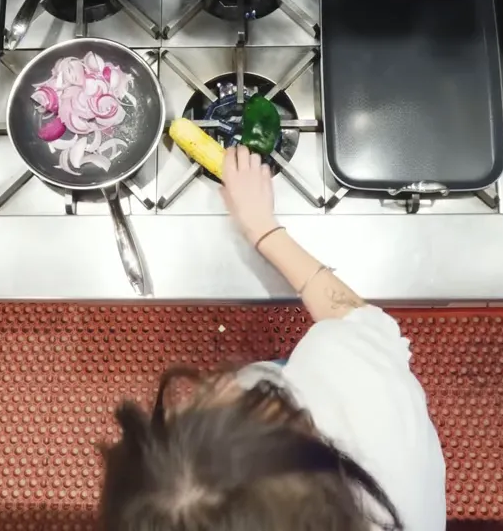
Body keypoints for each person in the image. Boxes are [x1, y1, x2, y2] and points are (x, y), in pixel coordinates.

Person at [99, 146, 447, 531]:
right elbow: (353, 316)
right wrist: (262, 229)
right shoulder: (369, 406)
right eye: (252, 405)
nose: (221, 379)